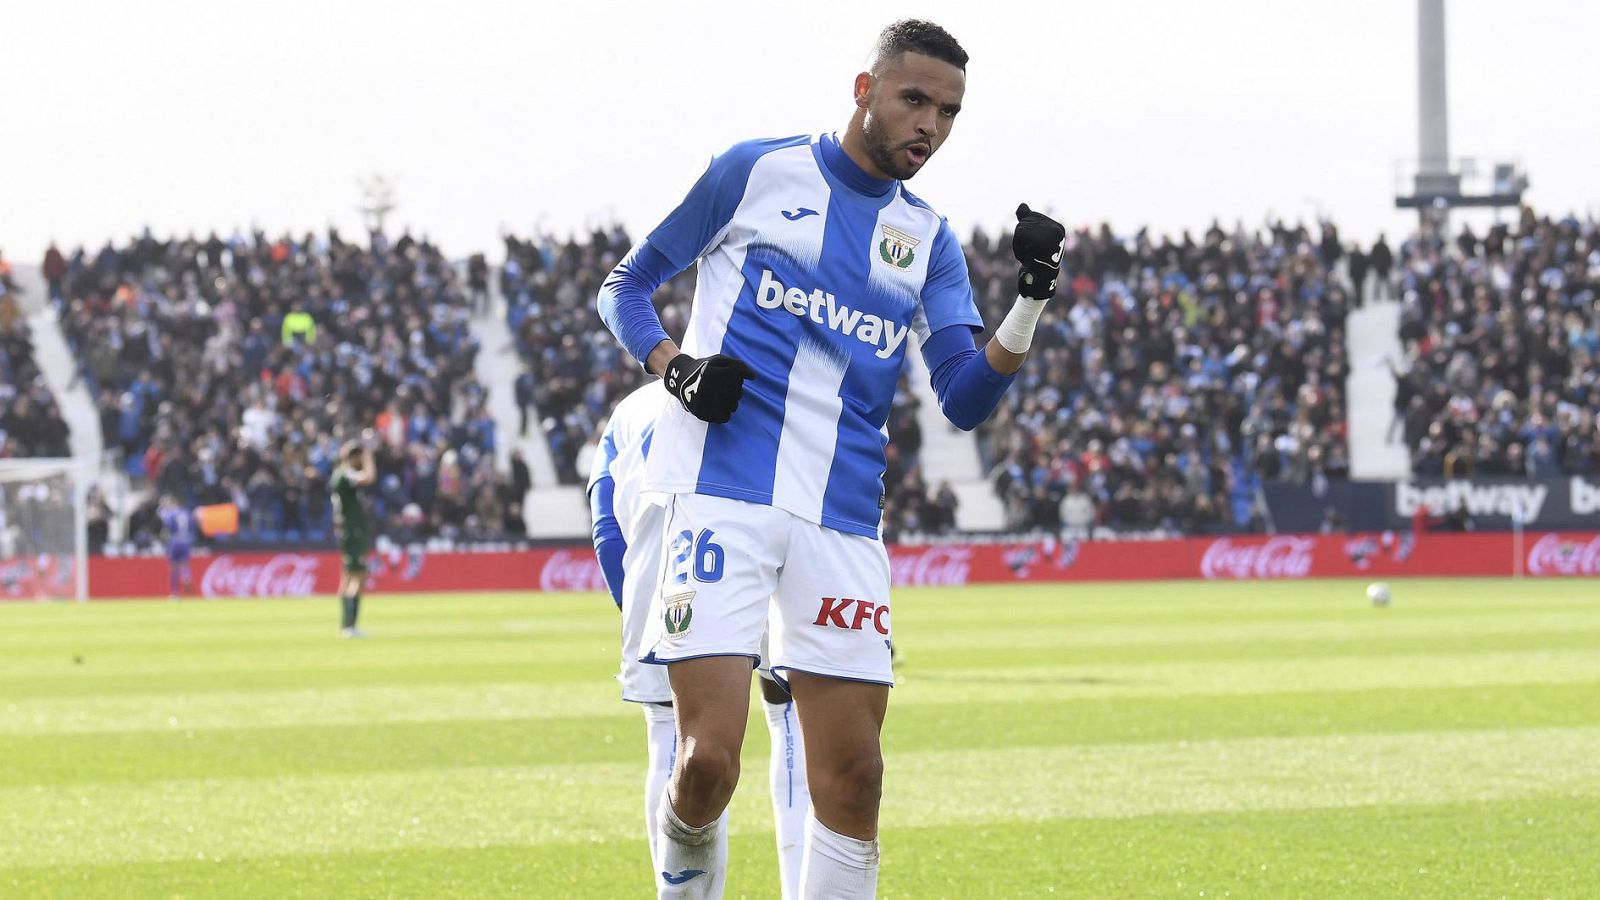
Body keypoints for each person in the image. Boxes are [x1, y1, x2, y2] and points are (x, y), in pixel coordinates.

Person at [597, 20, 1063, 898]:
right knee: (709, 765)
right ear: (864, 90)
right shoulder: (757, 171)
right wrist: (675, 367)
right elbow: (623, 285)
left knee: (854, 783)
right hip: (720, 493)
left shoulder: (925, 238)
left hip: (843, 517)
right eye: (914, 99)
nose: (930, 125)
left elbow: (963, 395)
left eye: (949, 112)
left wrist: (1031, 302)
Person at [588, 382, 811, 898]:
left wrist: (638, 609)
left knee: (672, 732)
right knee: (792, 715)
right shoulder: (779, 384)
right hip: (773, 545)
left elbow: (605, 523)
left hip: (666, 563)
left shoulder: (630, 409)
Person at [330, 432, 377, 637]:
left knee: (347, 577)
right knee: (358, 577)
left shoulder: (339, 474)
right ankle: (350, 626)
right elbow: (369, 477)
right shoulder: (345, 474)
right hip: (353, 531)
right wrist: (369, 458)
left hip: (347, 531)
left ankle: (345, 625)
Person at [157, 494, 196, 599]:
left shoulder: (171, 514)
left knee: (173, 567)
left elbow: (169, 526)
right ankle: (186, 577)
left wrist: (163, 516)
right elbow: (192, 527)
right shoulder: (187, 513)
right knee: (184, 564)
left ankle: (175, 592)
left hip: (175, 541)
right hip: (186, 541)